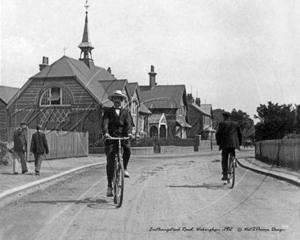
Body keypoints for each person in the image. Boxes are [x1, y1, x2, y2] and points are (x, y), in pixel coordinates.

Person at [102, 90, 134, 197]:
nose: (117, 101)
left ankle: (124, 168)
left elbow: (129, 124)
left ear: (121, 100)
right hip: (111, 138)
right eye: (115, 99)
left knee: (128, 150)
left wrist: (129, 133)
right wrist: (106, 133)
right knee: (110, 160)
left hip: (123, 137)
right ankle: (110, 186)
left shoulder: (126, 112)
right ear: (113, 100)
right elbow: (105, 123)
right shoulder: (108, 112)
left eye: (119, 99)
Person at [216, 112, 242, 181]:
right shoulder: (235, 124)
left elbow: (218, 134)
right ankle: (233, 161)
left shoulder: (221, 124)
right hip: (233, 143)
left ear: (224, 117)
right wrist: (239, 143)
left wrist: (218, 143)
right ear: (229, 117)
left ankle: (225, 175)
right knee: (232, 152)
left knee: (224, 158)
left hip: (224, 144)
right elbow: (240, 134)